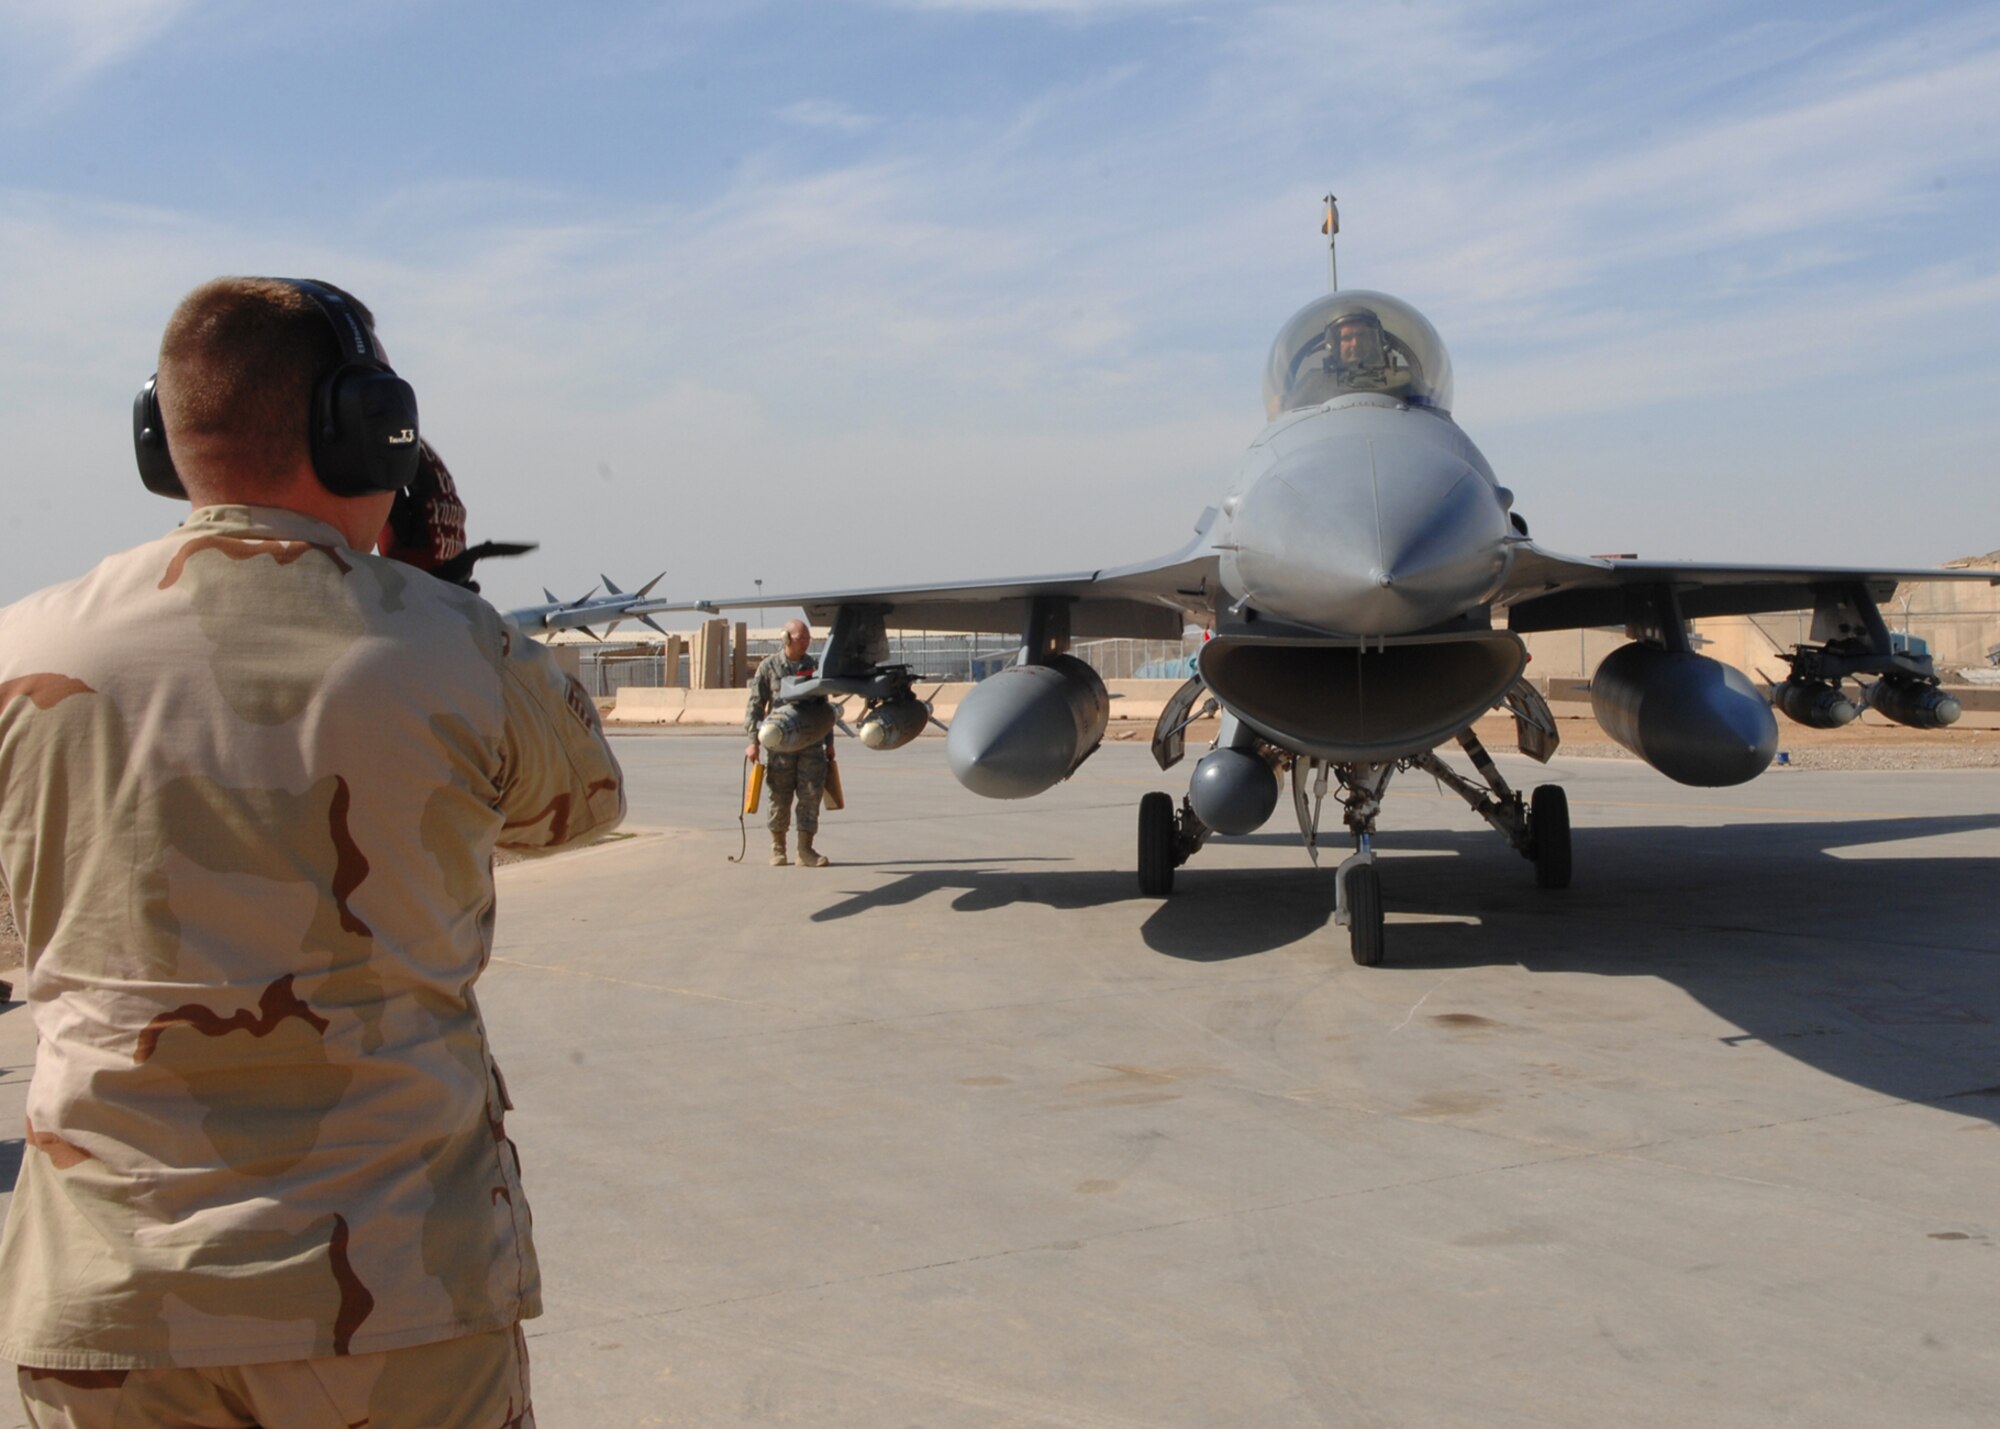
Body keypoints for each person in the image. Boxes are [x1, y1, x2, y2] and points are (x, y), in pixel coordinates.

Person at [0, 277, 624, 1428]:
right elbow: (571, 810)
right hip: (394, 1299)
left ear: (165, 438)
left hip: (108, 1301)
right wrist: (427, 589)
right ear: (366, 425)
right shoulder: (456, 644)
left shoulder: (21, 649)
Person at [744, 619, 832, 868]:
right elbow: (755, 706)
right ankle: (778, 848)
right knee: (779, 796)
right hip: (780, 744)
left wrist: (829, 741)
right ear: (786, 639)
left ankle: (805, 850)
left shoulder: (814, 667)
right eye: (800, 639)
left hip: (811, 744)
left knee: (810, 795)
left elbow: (823, 708)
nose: (805, 644)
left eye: (807, 639)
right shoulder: (769, 667)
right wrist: (753, 742)